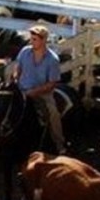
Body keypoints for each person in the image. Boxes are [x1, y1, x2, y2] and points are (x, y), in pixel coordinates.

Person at [12, 25, 67, 154]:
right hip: (22, 89)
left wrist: (34, 92)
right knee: (4, 107)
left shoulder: (52, 59)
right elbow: (18, 66)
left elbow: (52, 83)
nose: (31, 42)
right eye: (31, 38)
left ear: (43, 40)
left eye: (35, 39)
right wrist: (16, 77)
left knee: (52, 113)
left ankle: (59, 143)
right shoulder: (25, 51)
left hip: (42, 94)